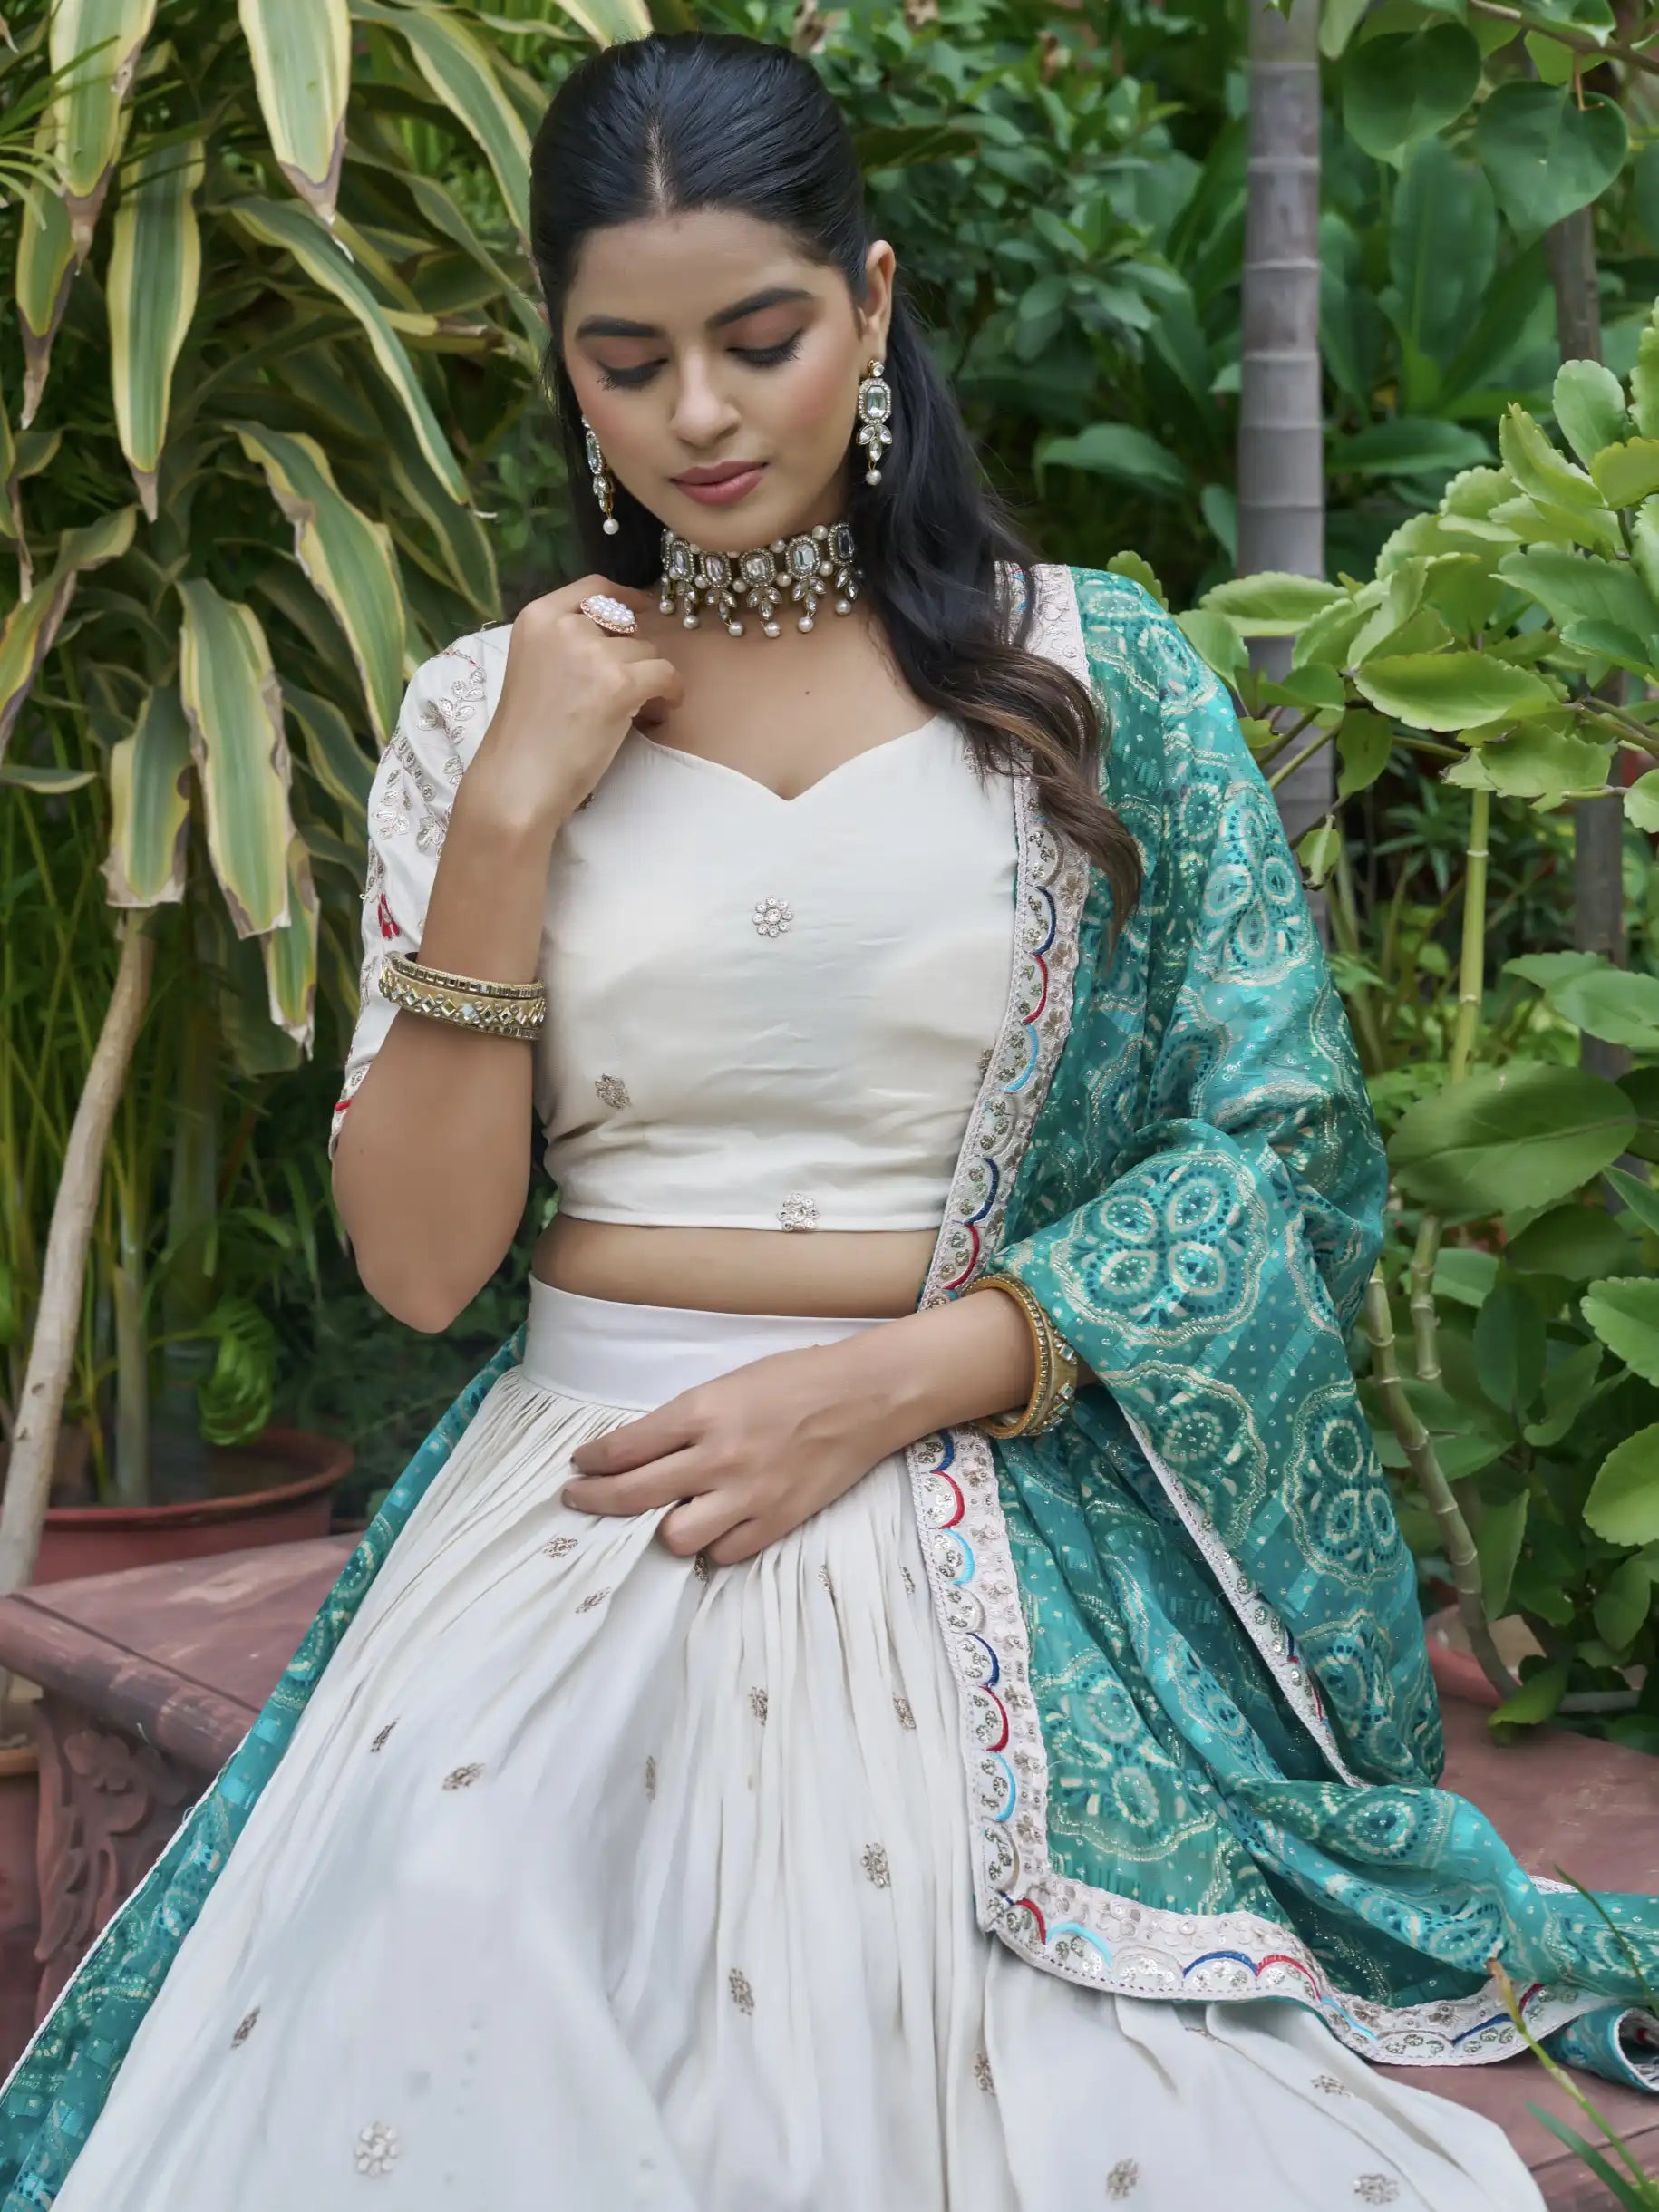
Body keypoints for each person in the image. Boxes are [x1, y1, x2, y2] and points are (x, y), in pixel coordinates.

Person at [5, 29, 1655, 2212]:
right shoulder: (472, 716)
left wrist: (892, 1383)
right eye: (630, 359)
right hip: (587, 1505)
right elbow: (418, 1265)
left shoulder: (1096, 675)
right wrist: (514, 800)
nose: (700, 414)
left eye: (760, 338)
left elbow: (1279, 1153)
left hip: (979, 1476)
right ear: (565, 367)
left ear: (869, 306)